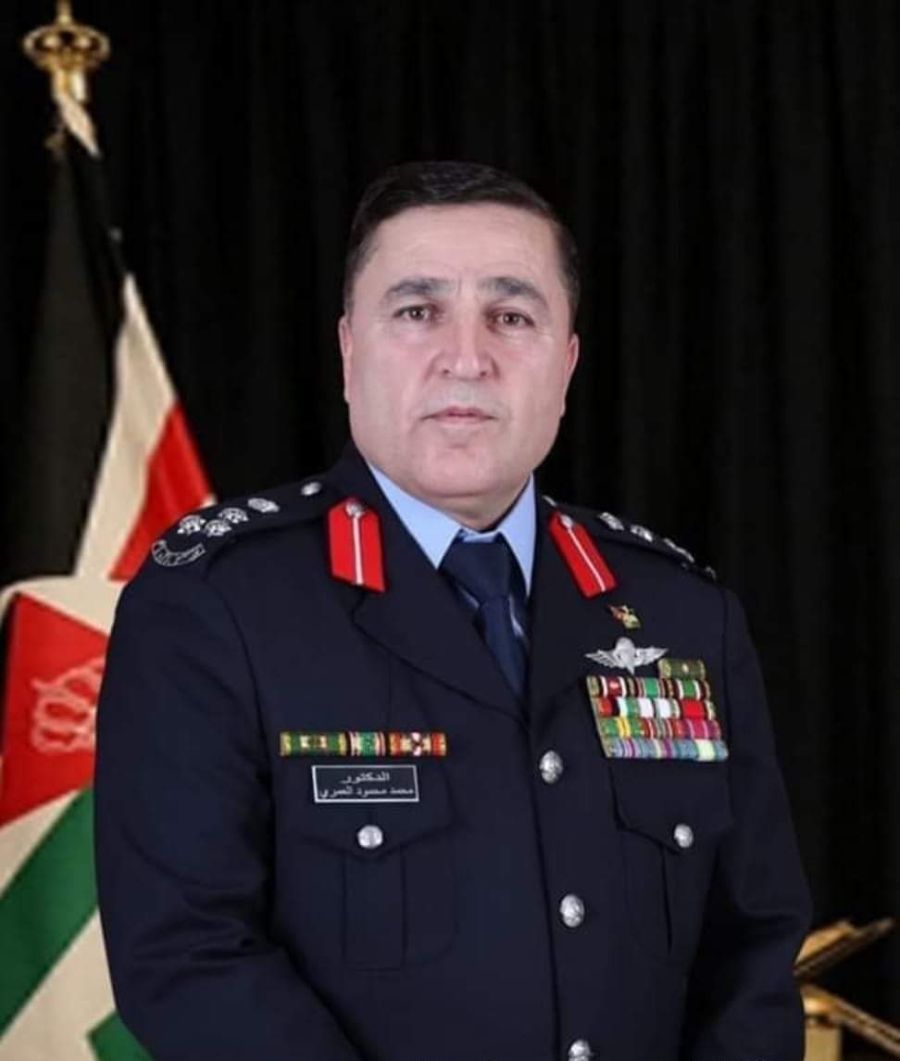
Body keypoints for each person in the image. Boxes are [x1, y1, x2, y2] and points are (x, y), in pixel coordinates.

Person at [95, 161, 811, 1061]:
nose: (467, 357)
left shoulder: (680, 612)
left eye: (511, 316)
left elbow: (752, 950)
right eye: (417, 311)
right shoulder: (214, 605)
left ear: (567, 363)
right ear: (349, 351)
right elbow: (188, 954)